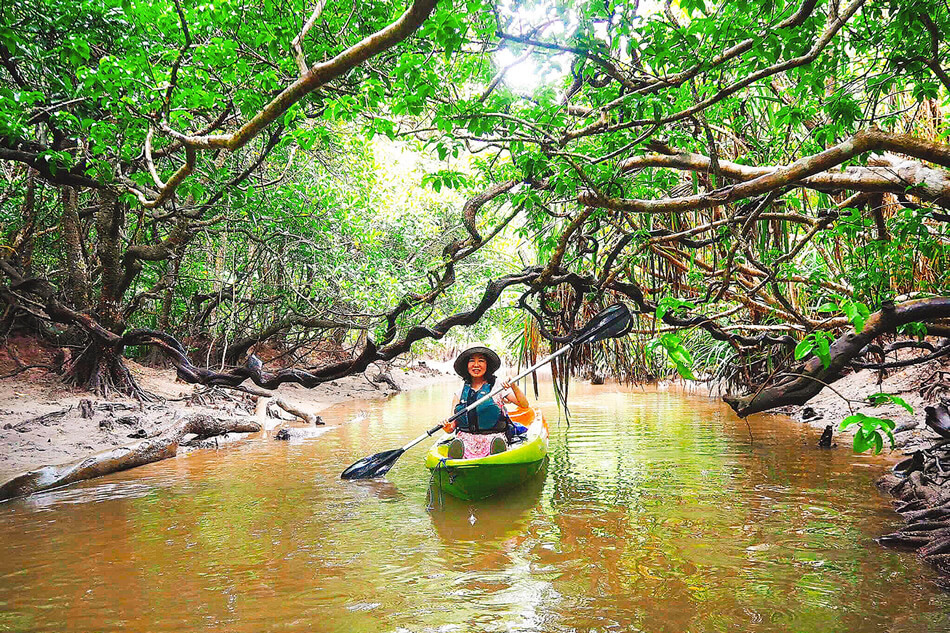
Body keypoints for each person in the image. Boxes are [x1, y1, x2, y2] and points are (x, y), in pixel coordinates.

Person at [442, 346, 529, 459]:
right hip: (466, 439)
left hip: (493, 437)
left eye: (481, 361)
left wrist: (513, 385)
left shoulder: (497, 386)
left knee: (495, 442)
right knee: (460, 442)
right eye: (472, 361)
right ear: (466, 366)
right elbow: (451, 428)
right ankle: (459, 453)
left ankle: (496, 453)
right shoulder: (459, 393)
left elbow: (524, 405)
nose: (476, 365)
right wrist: (447, 427)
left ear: (487, 365)